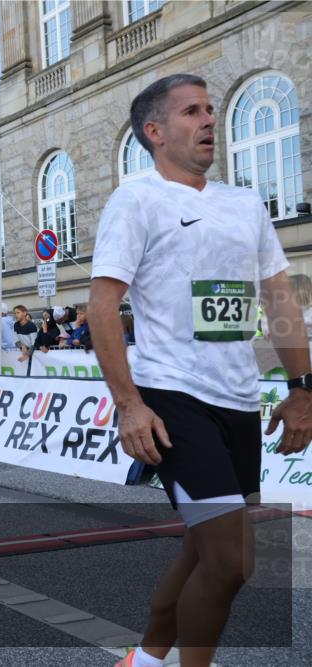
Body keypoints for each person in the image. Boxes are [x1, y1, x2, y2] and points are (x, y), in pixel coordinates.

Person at [88, 74, 312, 667]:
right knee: (232, 559)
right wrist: (129, 403)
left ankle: (147, 658)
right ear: (155, 132)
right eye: (193, 111)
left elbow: (278, 296)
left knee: (203, 549)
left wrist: (301, 388)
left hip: (238, 402)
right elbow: (102, 305)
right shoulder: (136, 199)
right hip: (172, 399)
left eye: (212, 109)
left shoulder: (244, 203)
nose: (210, 119)